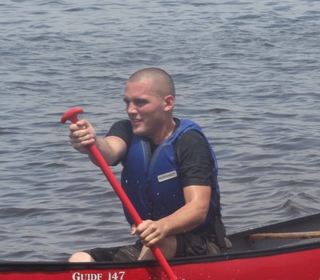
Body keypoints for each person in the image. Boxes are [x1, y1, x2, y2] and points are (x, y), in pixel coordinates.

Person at [66, 67, 227, 262]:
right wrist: (92, 142)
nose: (131, 110)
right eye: (128, 102)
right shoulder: (125, 129)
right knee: (80, 259)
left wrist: (162, 227)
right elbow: (108, 151)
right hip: (150, 242)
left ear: (167, 103)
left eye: (140, 102)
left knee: (161, 242)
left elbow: (198, 209)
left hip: (201, 245)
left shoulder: (190, 142)